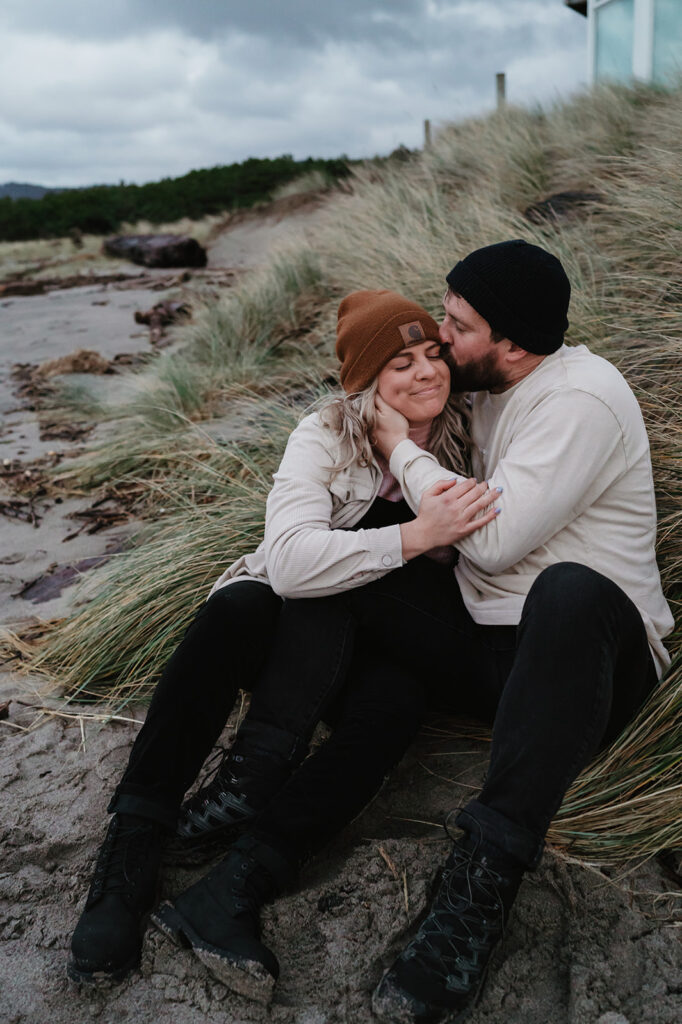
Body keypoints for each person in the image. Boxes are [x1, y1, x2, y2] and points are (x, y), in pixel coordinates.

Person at [67, 289, 498, 994]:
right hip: (297, 640)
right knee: (236, 606)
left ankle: (241, 878)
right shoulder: (325, 434)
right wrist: (418, 535)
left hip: (388, 650)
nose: (427, 374)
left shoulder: (473, 434)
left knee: (396, 701)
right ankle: (135, 843)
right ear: (364, 383)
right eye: (400, 365)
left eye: (432, 355)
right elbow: (292, 563)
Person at [343, 240, 672, 1023]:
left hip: (596, 667)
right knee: (356, 569)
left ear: (515, 345)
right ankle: (263, 785)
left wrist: (398, 450)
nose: (439, 338)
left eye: (456, 325)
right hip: (499, 651)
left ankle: (480, 886)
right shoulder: (482, 383)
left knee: (566, 591)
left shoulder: (581, 400)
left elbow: (486, 540)